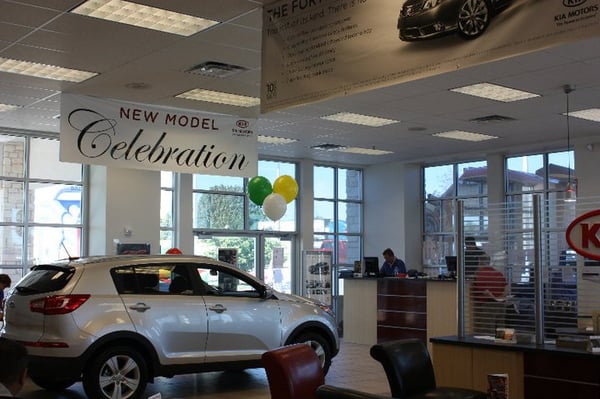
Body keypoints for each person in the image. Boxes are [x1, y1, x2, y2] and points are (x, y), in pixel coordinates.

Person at [471, 256, 508, 335]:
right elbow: (506, 289)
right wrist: (499, 298)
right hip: (501, 305)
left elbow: (485, 292)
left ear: (480, 262)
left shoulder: (480, 275)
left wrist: (493, 298)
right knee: (501, 331)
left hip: (489, 305)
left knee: (487, 333)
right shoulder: (498, 273)